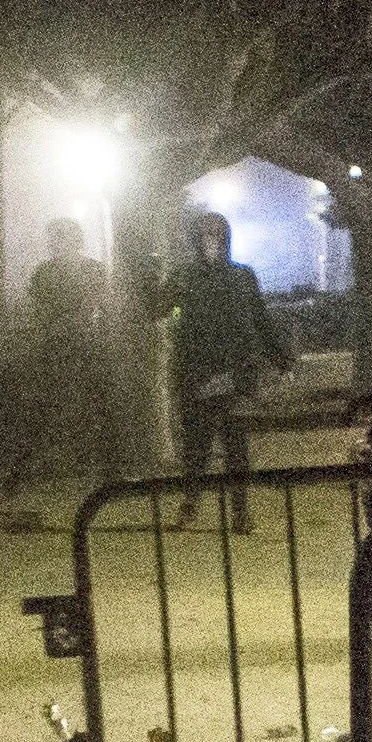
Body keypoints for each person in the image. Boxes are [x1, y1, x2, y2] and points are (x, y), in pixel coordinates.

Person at [160, 210, 294, 531]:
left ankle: (240, 512)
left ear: (226, 239)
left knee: (236, 445)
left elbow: (260, 321)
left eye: (217, 236)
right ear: (196, 240)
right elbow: (159, 306)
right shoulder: (185, 276)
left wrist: (281, 360)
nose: (211, 242)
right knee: (197, 445)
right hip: (198, 372)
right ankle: (190, 506)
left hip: (236, 373)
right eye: (205, 236)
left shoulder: (243, 276)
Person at [1, 219, 110, 492]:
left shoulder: (90, 271)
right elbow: (38, 310)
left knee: (91, 405)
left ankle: (93, 466)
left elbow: (98, 306)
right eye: (53, 239)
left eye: (59, 239)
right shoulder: (46, 273)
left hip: (82, 347)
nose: (54, 244)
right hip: (58, 347)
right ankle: (41, 466)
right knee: (47, 407)